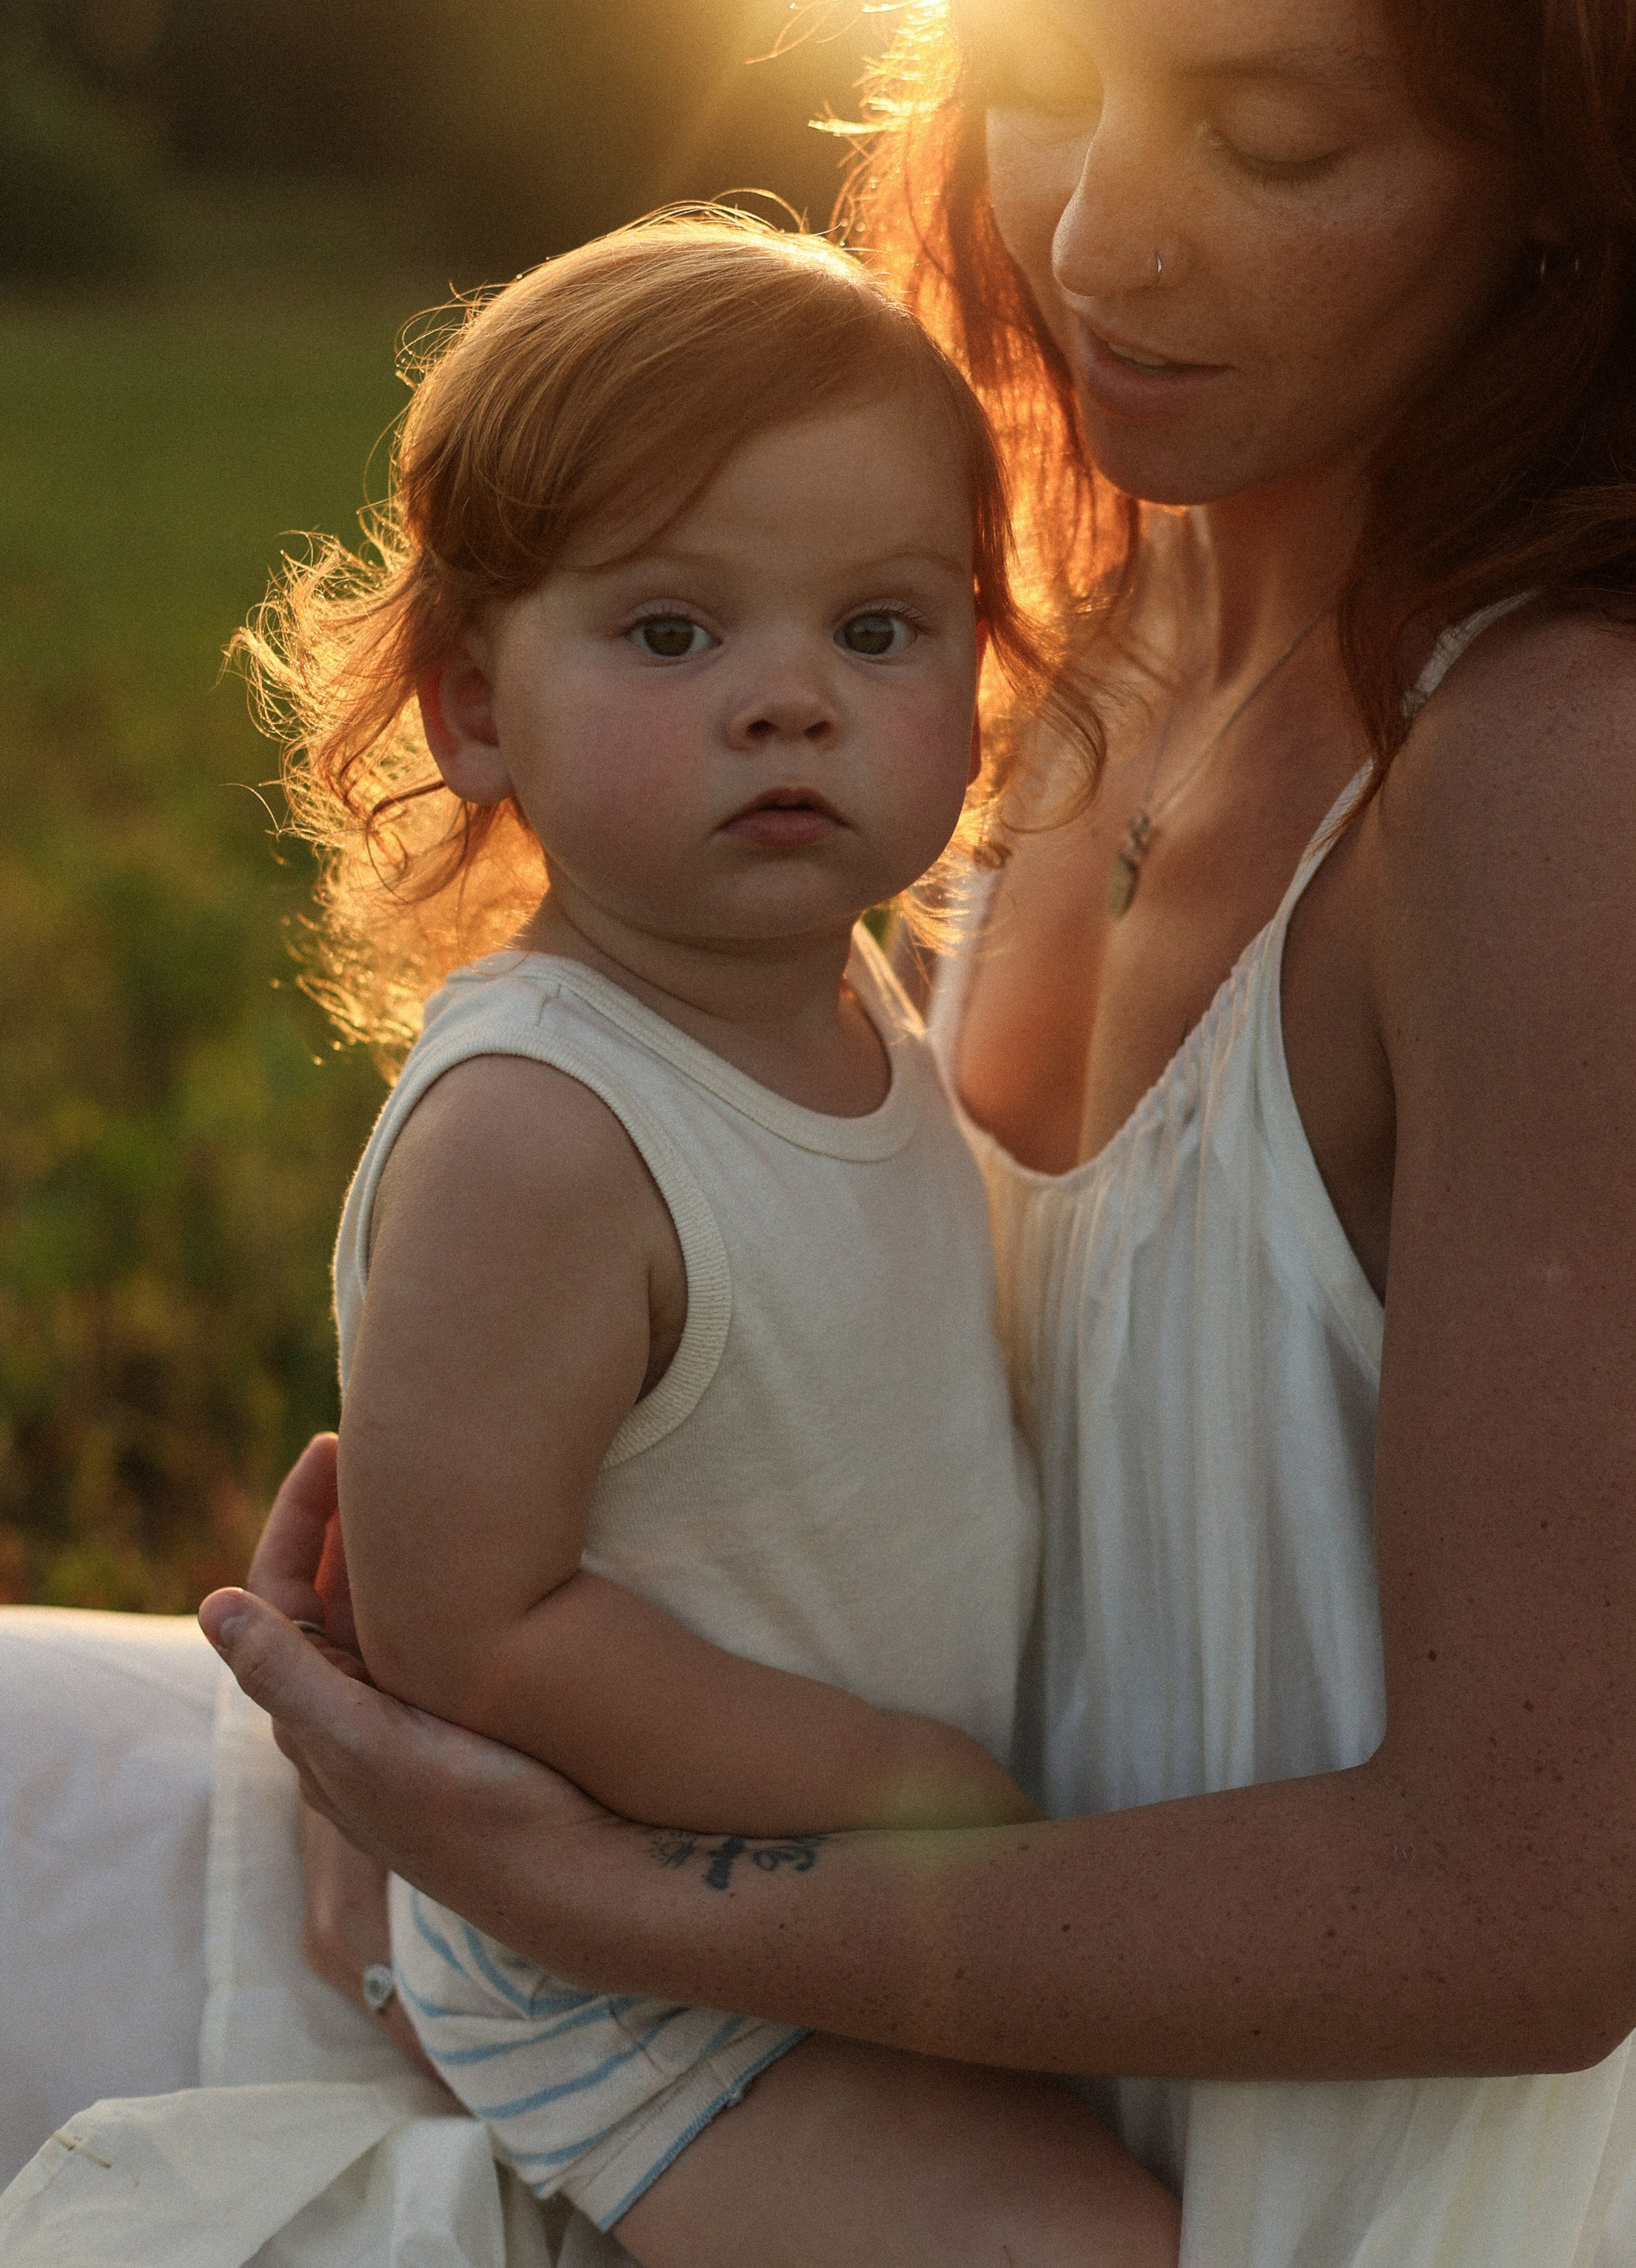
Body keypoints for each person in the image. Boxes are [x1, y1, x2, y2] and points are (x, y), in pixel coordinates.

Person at [206, 0, 1636, 2268]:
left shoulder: (1578, 759)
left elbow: (1537, 1899)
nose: (1099, 231)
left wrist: (568, 1885)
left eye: (1279, 130)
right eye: (1047, 66)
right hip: (788, 2069)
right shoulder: (1080, 622)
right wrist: (495, 1558)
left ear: (1580, 161)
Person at [230, 212, 1180, 2264]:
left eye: (881, 629)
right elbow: (471, 1623)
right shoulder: (545, 1133)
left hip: (833, 1895)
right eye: (674, 636)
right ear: (477, 710)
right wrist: (887, 1780)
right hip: (648, 1982)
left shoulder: (844, 1002)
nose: (790, 705)